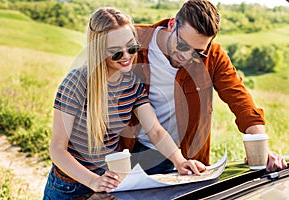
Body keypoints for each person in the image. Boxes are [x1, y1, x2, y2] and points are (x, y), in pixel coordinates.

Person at [43, 7, 206, 199]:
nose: (127, 56)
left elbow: (155, 131)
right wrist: (92, 181)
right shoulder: (77, 83)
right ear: (99, 51)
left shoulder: (132, 84)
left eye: (131, 48)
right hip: (69, 186)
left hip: (108, 185)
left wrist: (179, 161)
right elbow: (57, 149)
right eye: (116, 53)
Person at [120, 0, 287, 175]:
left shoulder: (213, 57)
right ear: (172, 24)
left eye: (197, 51)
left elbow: (240, 100)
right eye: (183, 45)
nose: (186, 56)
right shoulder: (133, 41)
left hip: (186, 159)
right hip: (132, 150)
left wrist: (260, 144)